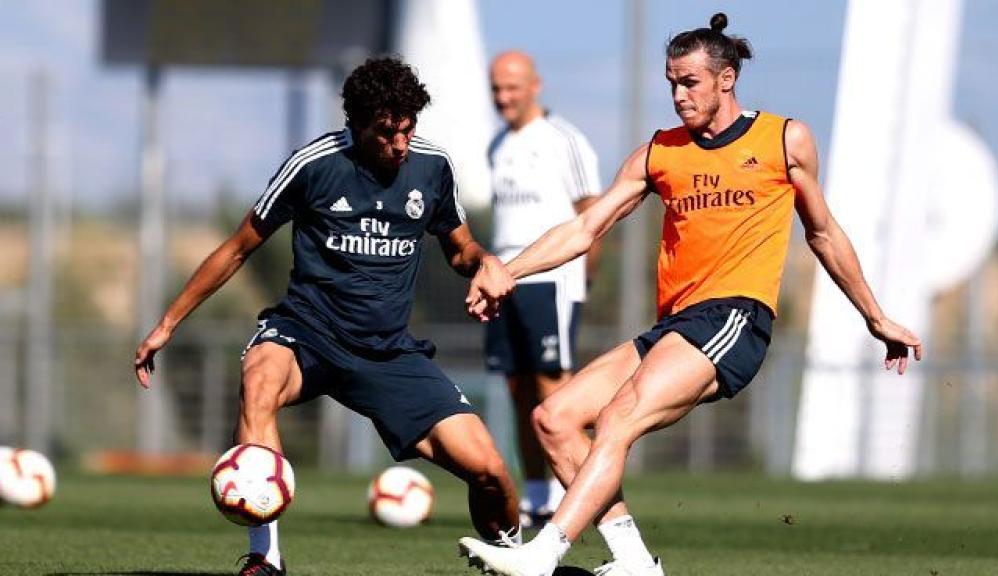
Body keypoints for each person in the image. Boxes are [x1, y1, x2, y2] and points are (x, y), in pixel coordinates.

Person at [457, 13, 923, 576]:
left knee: (619, 418)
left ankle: (544, 552)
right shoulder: (660, 152)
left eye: (690, 83)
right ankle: (634, 563)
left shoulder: (783, 138)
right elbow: (584, 228)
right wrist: (507, 268)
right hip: (676, 325)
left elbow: (823, 233)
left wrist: (875, 315)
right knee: (553, 418)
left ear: (726, 79)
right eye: (672, 83)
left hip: (735, 317)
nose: (678, 95)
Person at [133, 57, 521, 576]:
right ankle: (264, 558)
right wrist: (168, 324)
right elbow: (236, 249)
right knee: (258, 382)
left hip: (387, 351)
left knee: (490, 471)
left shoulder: (432, 167)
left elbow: (460, 246)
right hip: (306, 333)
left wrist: (483, 263)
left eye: (408, 130)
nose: (400, 144)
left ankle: (520, 560)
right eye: (386, 132)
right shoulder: (313, 165)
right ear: (356, 124)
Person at [486, 50, 602, 528]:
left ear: (535, 85)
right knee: (517, 387)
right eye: (496, 88)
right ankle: (536, 496)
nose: (503, 97)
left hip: (550, 279)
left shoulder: (565, 140)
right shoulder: (496, 144)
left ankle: (574, 491)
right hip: (503, 279)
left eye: (512, 87)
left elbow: (591, 215)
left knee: (554, 388)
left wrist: (583, 280)